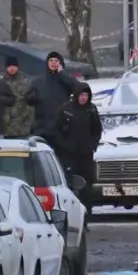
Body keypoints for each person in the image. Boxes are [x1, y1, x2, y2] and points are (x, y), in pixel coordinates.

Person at [51, 83, 102, 212]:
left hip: (86, 154)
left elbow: (97, 130)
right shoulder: (66, 109)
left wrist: (92, 145)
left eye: (86, 95)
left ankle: (86, 216)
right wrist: (64, 145)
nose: (84, 98)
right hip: (69, 155)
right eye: (82, 95)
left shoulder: (91, 110)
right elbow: (55, 130)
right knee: (70, 184)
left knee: (86, 187)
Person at [32, 51, 79, 138]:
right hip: (43, 127)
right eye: (51, 60)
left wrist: (61, 73)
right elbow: (29, 100)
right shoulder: (37, 81)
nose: (53, 63)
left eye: (56, 61)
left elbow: (78, 88)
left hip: (62, 126)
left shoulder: (65, 79)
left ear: (61, 64)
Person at [0, 56, 36, 138]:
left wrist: (29, 121)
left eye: (14, 66)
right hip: (6, 124)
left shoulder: (25, 81)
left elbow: (30, 103)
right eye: (9, 66)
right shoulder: (0, 81)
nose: (12, 68)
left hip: (22, 124)